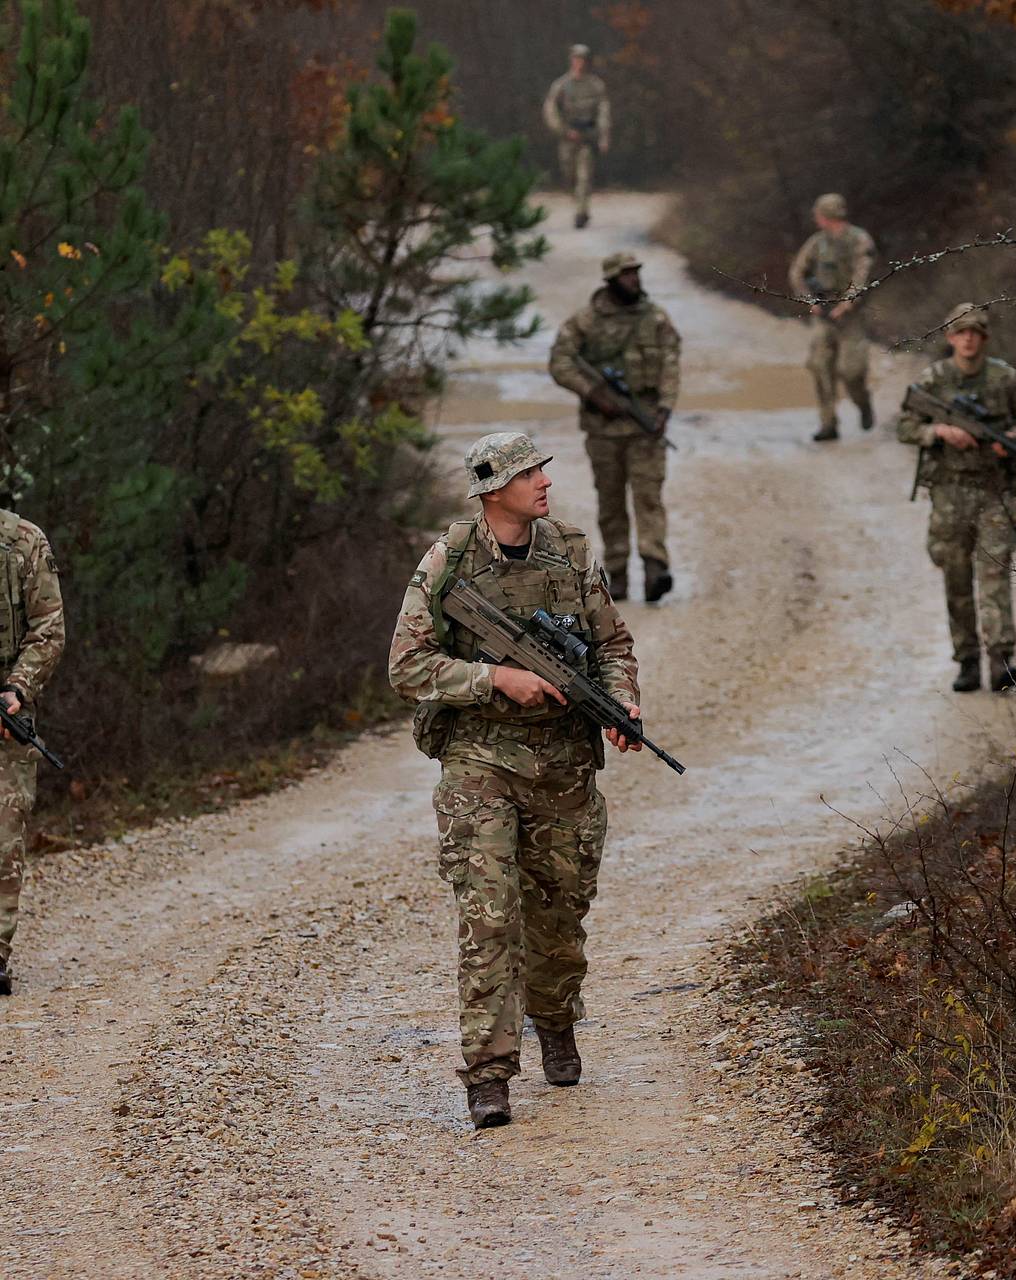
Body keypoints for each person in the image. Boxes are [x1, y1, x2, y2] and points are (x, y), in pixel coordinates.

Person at [388, 431, 641, 1129]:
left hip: (563, 764)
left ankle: (555, 1018)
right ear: (492, 488)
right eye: (529, 472)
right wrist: (494, 677)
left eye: (542, 470)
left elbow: (612, 643)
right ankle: (489, 1073)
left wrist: (622, 705)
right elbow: (407, 666)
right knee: (489, 918)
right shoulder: (448, 562)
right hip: (480, 761)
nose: (543, 481)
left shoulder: (570, 551)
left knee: (559, 915)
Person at [894, 303, 1016, 693]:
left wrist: (1007, 446)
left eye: (975, 331)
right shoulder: (935, 379)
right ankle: (967, 660)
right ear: (950, 337)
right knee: (956, 576)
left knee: (994, 574)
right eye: (960, 331)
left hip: (994, 489)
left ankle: (1001, 658)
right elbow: (906, 424)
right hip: (950, 491)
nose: (968, 338)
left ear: (985, 337)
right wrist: (939, 431)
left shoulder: (1004, 378)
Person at [548, 251, 680, 603]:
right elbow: (560, 362)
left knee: (649, 498)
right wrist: (593, 393)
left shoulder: (655, 319)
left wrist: (665, 409)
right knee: (610, 504)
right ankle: (617, 573)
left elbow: (670, 364)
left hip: (645, 428)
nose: (634, 280)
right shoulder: (586, 322)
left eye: (637, 273)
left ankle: (655, 567)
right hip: (603, 431)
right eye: (627, 275)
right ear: (610, 280)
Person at [0, 510, 66, 995]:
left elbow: (49, 629)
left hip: (6, 714)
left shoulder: (23, 542)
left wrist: (17, 688)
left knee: (4, 836)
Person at [787, 193, 877, 442]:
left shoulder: (859, 240)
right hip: (823, 314)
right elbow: (797, 272)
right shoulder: (817, 243)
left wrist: (846, 304)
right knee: (820, 367)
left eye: (819, 215)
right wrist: (809, 301)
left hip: (851, 317)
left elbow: (863, 275)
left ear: (826, 216)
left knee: (851, 370)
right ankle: (828, 423)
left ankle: (863, 403)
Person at [543, 43, 611, 229]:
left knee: (585, 176)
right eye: (576, 58)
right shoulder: (561, 85)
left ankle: (581, 212)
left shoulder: (596, 85)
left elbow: (603, 112)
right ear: (571, 60)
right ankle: (577, 201)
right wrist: (563, 130)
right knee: (569, 174)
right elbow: (550, 110)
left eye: (582, 59)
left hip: (587, 136)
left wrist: (603, 136)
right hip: (567, 136)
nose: (579, 63)